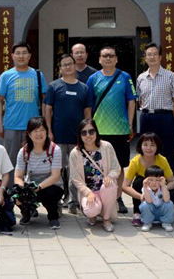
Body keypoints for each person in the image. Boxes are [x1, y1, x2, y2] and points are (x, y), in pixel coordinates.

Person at [86, 46, 136, 214]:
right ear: (99, 59)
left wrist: (130, 124)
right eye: (105, 56)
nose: (108, 58)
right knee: (99, 165)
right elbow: (88, 105)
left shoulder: (125, 77)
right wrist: (89, 127)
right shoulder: (93, 78)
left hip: (120, 129)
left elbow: (131, 101)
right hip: (99, 130)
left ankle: (118, 198)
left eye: (111, 55)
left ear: (116, 59)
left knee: (119, 166)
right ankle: (100, 197)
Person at [135, 43, 174, 203]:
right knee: (146, 153)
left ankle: (171, 194)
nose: (152, 57)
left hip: (164, 118)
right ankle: (147, 192)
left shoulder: (170, 76)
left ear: (161, 57)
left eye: (155, 54)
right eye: (148, 54)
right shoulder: (141, 78)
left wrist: (168, 115)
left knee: (167, 154)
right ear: (145, 58)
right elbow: (139, 99)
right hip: (146, 116)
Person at [44, 53, 91, 213]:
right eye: (64, 64)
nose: (68, 67)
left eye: (70, 63)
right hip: (58, 135)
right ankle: (57, 201)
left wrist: (87, 133)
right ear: (60, 68)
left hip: (77, 136)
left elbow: (87, 112)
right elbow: (48, 110)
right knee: (57, 169)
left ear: (74, 66)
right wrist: (49, 131)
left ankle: (73, 201)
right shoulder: (54, 86)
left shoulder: (83, 88)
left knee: (75, 170)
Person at [0, 42, 46, 176]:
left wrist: (45, 124)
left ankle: (31, 188)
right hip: (11, 126)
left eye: (24, 53)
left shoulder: (38, 75)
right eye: (18, 53)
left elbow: (45, 101)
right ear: (12, 56)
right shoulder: (6, 76)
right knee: (10, 163)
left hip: (33, 127)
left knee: (34, 162)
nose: (21, 56)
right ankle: (11, 188)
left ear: (29, 56)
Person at [69, 119, 121, 232]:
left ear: (96, 132)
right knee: (90, 210)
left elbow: (116, 168)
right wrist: (88, 193)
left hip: (104, 189)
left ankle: (106, 219)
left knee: (110, 186)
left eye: (91, 131)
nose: (88, 135)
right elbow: (75, 178)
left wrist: (110, 176)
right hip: (89, 191)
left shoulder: (106, 146)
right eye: (84, 132)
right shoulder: (75, 153)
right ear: (80, 135)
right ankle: (93, 214)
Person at [13, 116, 64, 229]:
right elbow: (18, 176)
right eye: (35, 131)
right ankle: (27, 212)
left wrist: (38, 187)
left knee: (49, 193)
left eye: (42, 130)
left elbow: (55, 176)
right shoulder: (24, 151)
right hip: (31, 186)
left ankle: (53, 217)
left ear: (47, 132)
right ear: (29, 134)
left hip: (51, 186)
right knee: (15, 192)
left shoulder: (54, 150)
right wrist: (21, 189)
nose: (39, 134)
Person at [122, 132, 174, 227]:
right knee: (138, 181)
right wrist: (140, 196)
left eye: (152, 145)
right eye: (145, 145)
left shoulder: (162, 160)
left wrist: (163, 188)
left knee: (172, 197)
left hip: (159, 191)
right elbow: (125, 186)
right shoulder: (135, 162)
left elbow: (172, 181)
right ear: (140, 146)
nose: (149, 148)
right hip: (144, 191)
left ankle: (162, 214)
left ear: (157, 146)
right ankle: (137, 213)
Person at [138, 165, 174, 232]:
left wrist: (163, 185)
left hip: (161, 211)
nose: (154, 183)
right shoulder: (145, 188)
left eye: (157, 180)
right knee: (145, 204)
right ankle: (147, 223)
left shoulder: (163, 187)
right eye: (150, 180)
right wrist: (145, 186)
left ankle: (166, 222)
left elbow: (166, 200)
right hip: (151, 212)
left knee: (169, 204)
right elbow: (149, 201)